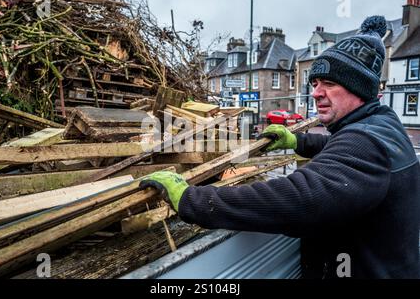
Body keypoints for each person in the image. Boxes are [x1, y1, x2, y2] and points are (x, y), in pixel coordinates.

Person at [140, 16, 420, 279]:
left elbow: (297, 199)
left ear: (359, 89)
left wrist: (191, 199)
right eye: (315, 82)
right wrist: (297, 141)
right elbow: (339, 150)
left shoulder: (363, 143)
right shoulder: (382, 124)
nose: (316, 92)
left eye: (330, 83)